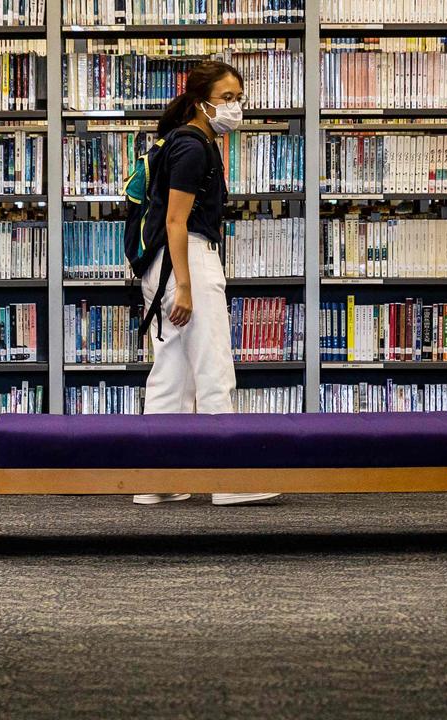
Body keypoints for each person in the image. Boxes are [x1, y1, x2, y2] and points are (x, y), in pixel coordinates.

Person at [132, 60, 280, 507]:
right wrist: (186, 287)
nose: (235, 107)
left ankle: (157, 479)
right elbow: (177, 221)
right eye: (227, 99)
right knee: (214, 368)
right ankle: (229, 478)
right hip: (188, 260)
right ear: (201, 102)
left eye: (239, 98)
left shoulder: (178, 140)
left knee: (171, 374)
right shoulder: (195, 147)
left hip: (163, 265)